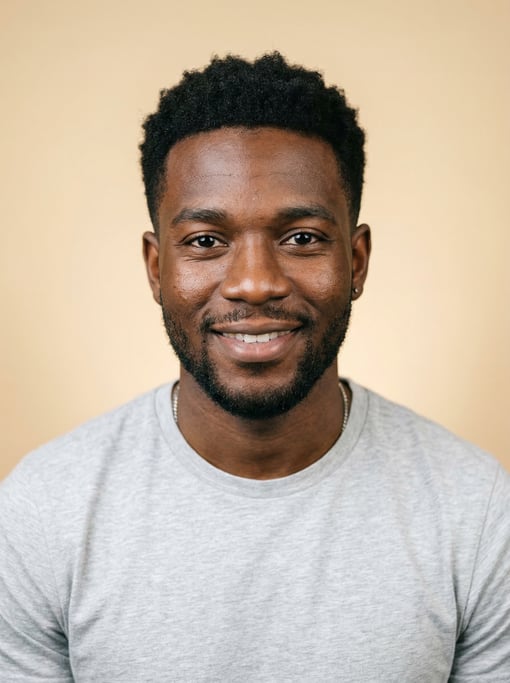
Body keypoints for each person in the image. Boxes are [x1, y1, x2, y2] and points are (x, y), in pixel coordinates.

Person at [0, 52, 509, 682]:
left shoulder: (477, 513)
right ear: (157, 268)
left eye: (300, 238)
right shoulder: (46, 509)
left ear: (358, 260)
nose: (254, 283)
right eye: (206, 242)